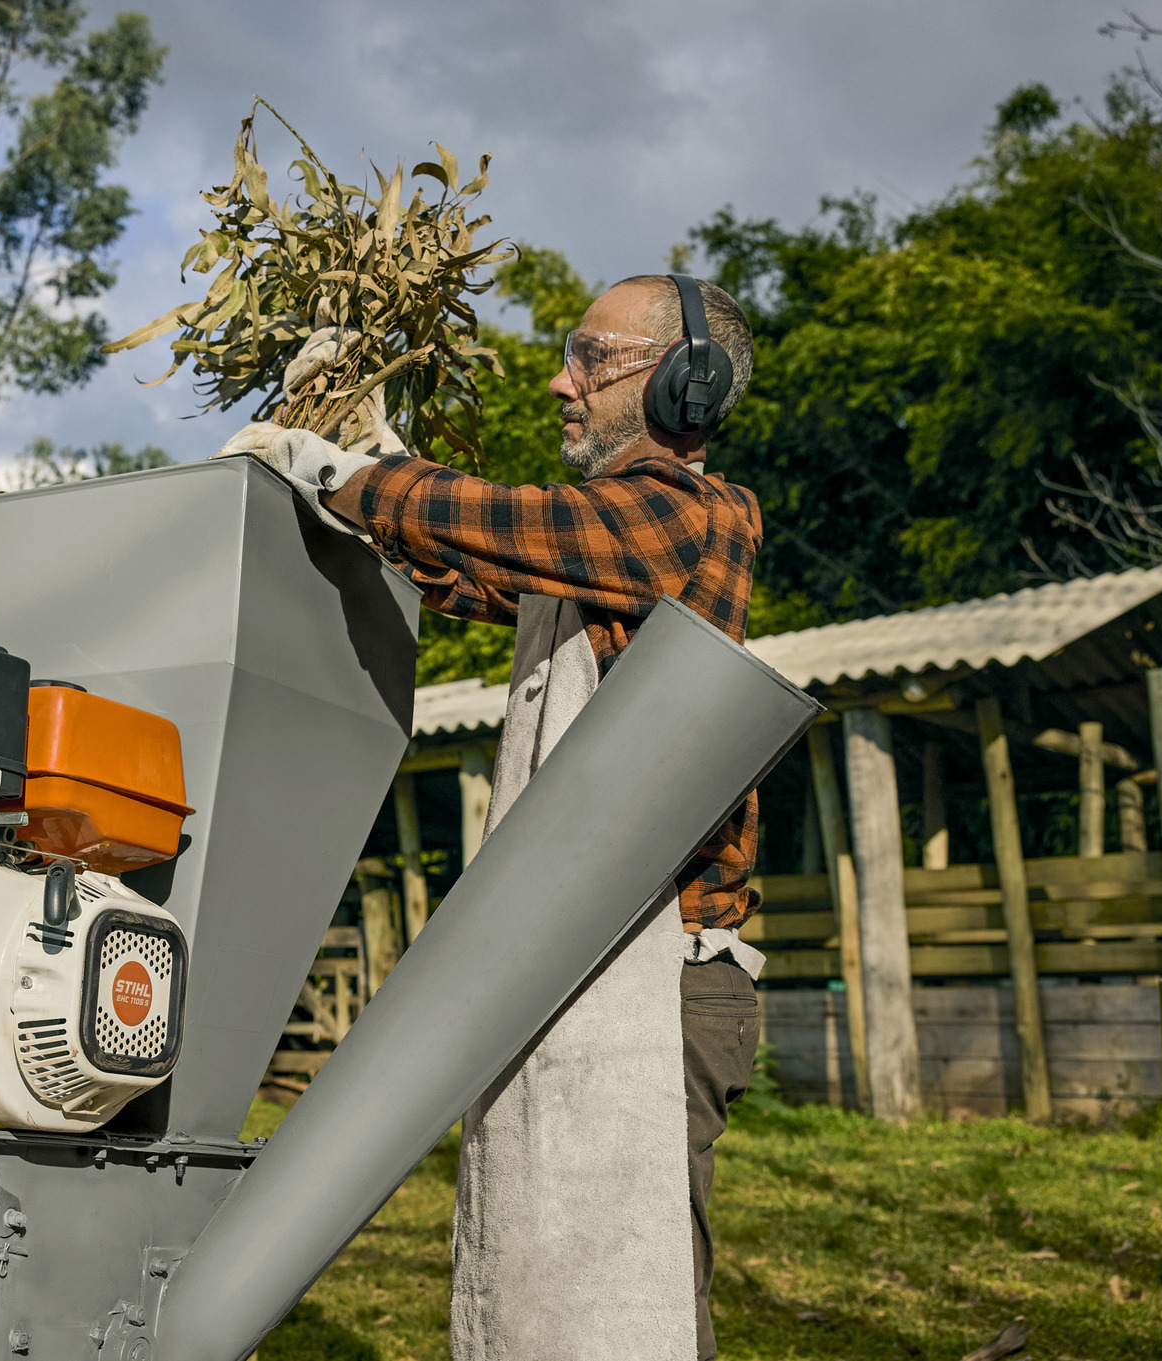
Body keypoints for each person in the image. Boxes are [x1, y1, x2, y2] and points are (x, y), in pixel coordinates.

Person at [223, 274, 765, 1361]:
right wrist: (368, 447)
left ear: (686, 383)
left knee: (635, 1294)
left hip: (656, 980)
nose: (562, 382)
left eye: (591, 358)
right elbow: (467, 560)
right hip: (585, 960)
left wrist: (336, 468)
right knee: (550, 1268)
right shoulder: (599, 553)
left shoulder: (694, 517)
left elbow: (511, 521)